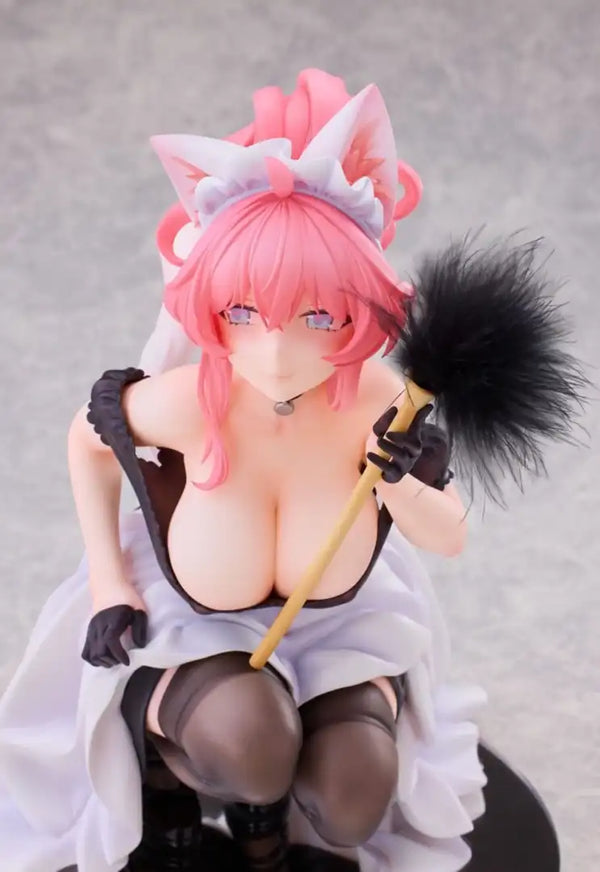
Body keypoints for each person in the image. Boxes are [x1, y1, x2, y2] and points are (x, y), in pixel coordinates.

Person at [0, 69, 486, 872]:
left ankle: (283, 819)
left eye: (318, 315)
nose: (276, 351)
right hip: (195, 628)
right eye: (242, 313)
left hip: (338, 626)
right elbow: (87, 441)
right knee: (251, 740)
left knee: (355, 792)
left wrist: (401, 481)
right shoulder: (190, 402)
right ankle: (168, 776)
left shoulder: (378, 400)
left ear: (362, 304)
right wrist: (110, 585)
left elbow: (452, 535)